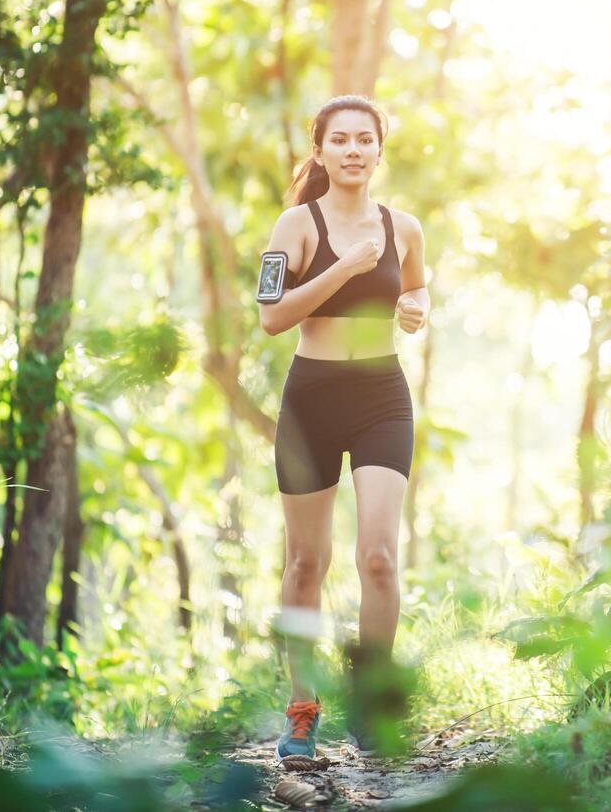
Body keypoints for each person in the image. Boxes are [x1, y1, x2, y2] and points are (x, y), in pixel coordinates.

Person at [257, 95, 430, 761]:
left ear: (378, 151)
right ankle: (302, 713)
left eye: (365, 139)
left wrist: (416, 307)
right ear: (321, 151)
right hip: (313, 400)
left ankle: (372, 707)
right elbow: (271, 318)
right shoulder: (294, 226)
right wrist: (344, 268)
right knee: (307, 560)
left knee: (379, 558)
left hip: (382, 393)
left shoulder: (404, 226)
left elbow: (414, 287)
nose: (354, 150)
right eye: (341, 140)